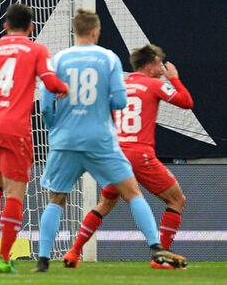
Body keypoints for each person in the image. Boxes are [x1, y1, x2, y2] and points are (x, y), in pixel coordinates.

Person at [34, 10, 188, 272]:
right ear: (95, 31)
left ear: (74, 31)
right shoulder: (110, 59)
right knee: (138, 195)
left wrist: (54, 127)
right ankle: (156, 249)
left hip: (67, 138)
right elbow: (119, 102)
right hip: (106, 142)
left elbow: (46, 106)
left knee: (57, 199)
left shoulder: (58, 59)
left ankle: (47, 258)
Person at [64, 43, 194, 267]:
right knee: (176, 199)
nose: (161, 67)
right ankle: (160, 257)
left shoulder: (119, 85)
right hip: (140, 154)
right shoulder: (155, 84)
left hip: (116, 154)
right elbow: (186, 102)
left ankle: (73, 252)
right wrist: (173, 78)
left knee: (105, 203)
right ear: (152, 64)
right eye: (159, 63)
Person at [0, 3, 68, 273]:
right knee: (15, 193)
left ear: (5, 26)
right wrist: (64, 88)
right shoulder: (36, 49)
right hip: (13, 126)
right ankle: (4, 257)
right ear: (31, 28)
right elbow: (50, 81)